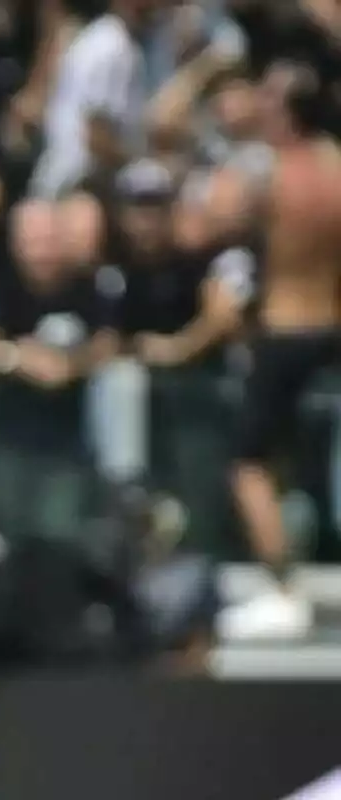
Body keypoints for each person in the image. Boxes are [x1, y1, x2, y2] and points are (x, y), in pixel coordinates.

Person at [208, 61, 341, 640]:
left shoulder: (269, 174)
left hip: (286, 328)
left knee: (250, 465)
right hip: (332, 322)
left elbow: (212, 221)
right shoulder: (337, 164)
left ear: (285, 113)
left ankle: (284, 592)